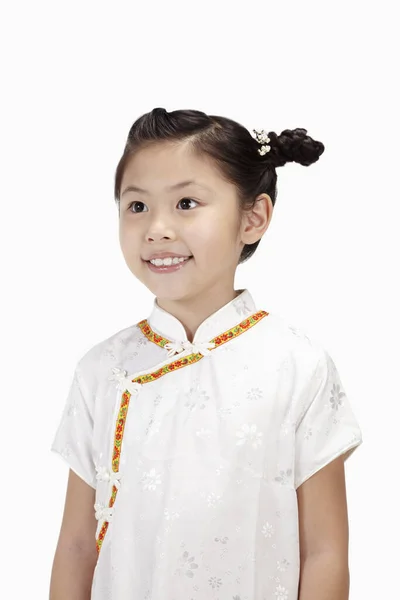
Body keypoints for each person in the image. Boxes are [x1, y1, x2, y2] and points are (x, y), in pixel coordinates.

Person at [49, 108, 362, 600]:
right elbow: (75, 547)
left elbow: (323, 551)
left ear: (252, 218)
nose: (156, 228)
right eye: (136, 207)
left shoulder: (298, 366)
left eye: (187, 203)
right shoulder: (102, 370)